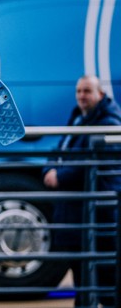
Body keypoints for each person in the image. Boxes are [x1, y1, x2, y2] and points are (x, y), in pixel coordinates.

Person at [43, 75, 121, 307]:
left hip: (97, 215)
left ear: (100, 94)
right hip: (78, 211)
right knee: (82, 274)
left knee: (104, 277)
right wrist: (50, 169)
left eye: (87, 91)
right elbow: (59, 150)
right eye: (79, 91)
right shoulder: (79, 118)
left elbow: (92, 160)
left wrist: (60, 175)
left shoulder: (108, 123)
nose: (81, 96)